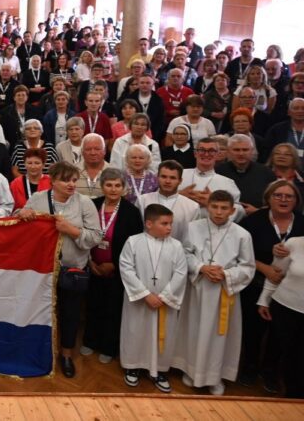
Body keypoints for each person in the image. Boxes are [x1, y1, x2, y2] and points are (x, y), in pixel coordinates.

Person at [17, 162, 103, 378]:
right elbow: (19, 219)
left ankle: (66, 355)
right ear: (53, 180)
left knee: (70, 314)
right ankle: (37, 351)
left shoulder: (85, 203)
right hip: (41, 270)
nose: (71, 184)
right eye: (66, 180)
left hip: (72, 269)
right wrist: (22, 212)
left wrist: (71, 230)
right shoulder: (38, 199)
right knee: (39, 312)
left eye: (74, 180)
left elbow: (95, 237)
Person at [173, 190, 255, 395]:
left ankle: (214, 377)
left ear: (232, 210)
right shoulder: (193, 228)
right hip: (198, 289)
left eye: (224, 208)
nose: (218, 212)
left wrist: (226, 274)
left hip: (223, 293)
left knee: (220, 336)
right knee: (194, 330)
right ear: (207, 207)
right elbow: (184, 252)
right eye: (215, 207)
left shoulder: (242, 234)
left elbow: (248, 266)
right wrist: (201, 267)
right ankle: (192, 371)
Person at [238, 180, 304, 392]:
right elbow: (239, 253)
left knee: (279, 335)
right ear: (268, 198)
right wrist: (264, 268)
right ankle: (249, 367)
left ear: (296, 201)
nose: (283, 200)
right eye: (278, 195)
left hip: (288, 290)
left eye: (289, 196)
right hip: (256, 283)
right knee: (253, 329)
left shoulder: (302, 222)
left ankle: (270, 371)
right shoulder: (253, 221)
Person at [119, 204, 188, 394]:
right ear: (149, 223)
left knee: (163, 335)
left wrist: (164, 296)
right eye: (164, 223)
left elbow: (181, 273)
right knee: (136, 332)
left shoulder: (176, 245)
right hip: (140, 301)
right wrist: (145, 294)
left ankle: (160, 371)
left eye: (171, 224)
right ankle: (133, 366)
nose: (169, 228)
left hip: (164, 303)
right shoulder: (133, 242)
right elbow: (126, 269)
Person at [82, 168, 144, 365]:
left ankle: (109, 346)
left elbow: (134, 244)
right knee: (92, 305)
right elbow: (84, 234)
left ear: (124, 188)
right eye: (109, 185)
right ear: (102, 187)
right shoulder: (93, 205)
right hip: (92, 265)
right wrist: (90, 262)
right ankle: (90, 340)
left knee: (112, 308)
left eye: (118, 185)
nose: (113, 189)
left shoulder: (131, 212)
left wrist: (114, 264)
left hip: (116, 270)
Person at [257, 227, 304, 398]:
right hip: (285, 307)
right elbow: (276, 273)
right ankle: (293, 398)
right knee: (290, 355)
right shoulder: (293, 243)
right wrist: (264, 299)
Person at [180, 138, 244, 219]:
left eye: (211, 151)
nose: (206, 154)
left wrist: (213, 203)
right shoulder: (180, 174)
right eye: (202, 150)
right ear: (195, 153)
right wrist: (179, 196)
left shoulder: (227, 182)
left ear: (217, 154)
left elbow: (239, 211)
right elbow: (161, 197)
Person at [216, 134, 276, 216]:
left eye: (245, 150)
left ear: (252, 151)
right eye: (236, 150)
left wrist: (257, 211)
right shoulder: (218, 171)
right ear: (228, 152)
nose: (241, 153)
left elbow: (274, 201)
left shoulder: (266, 173)